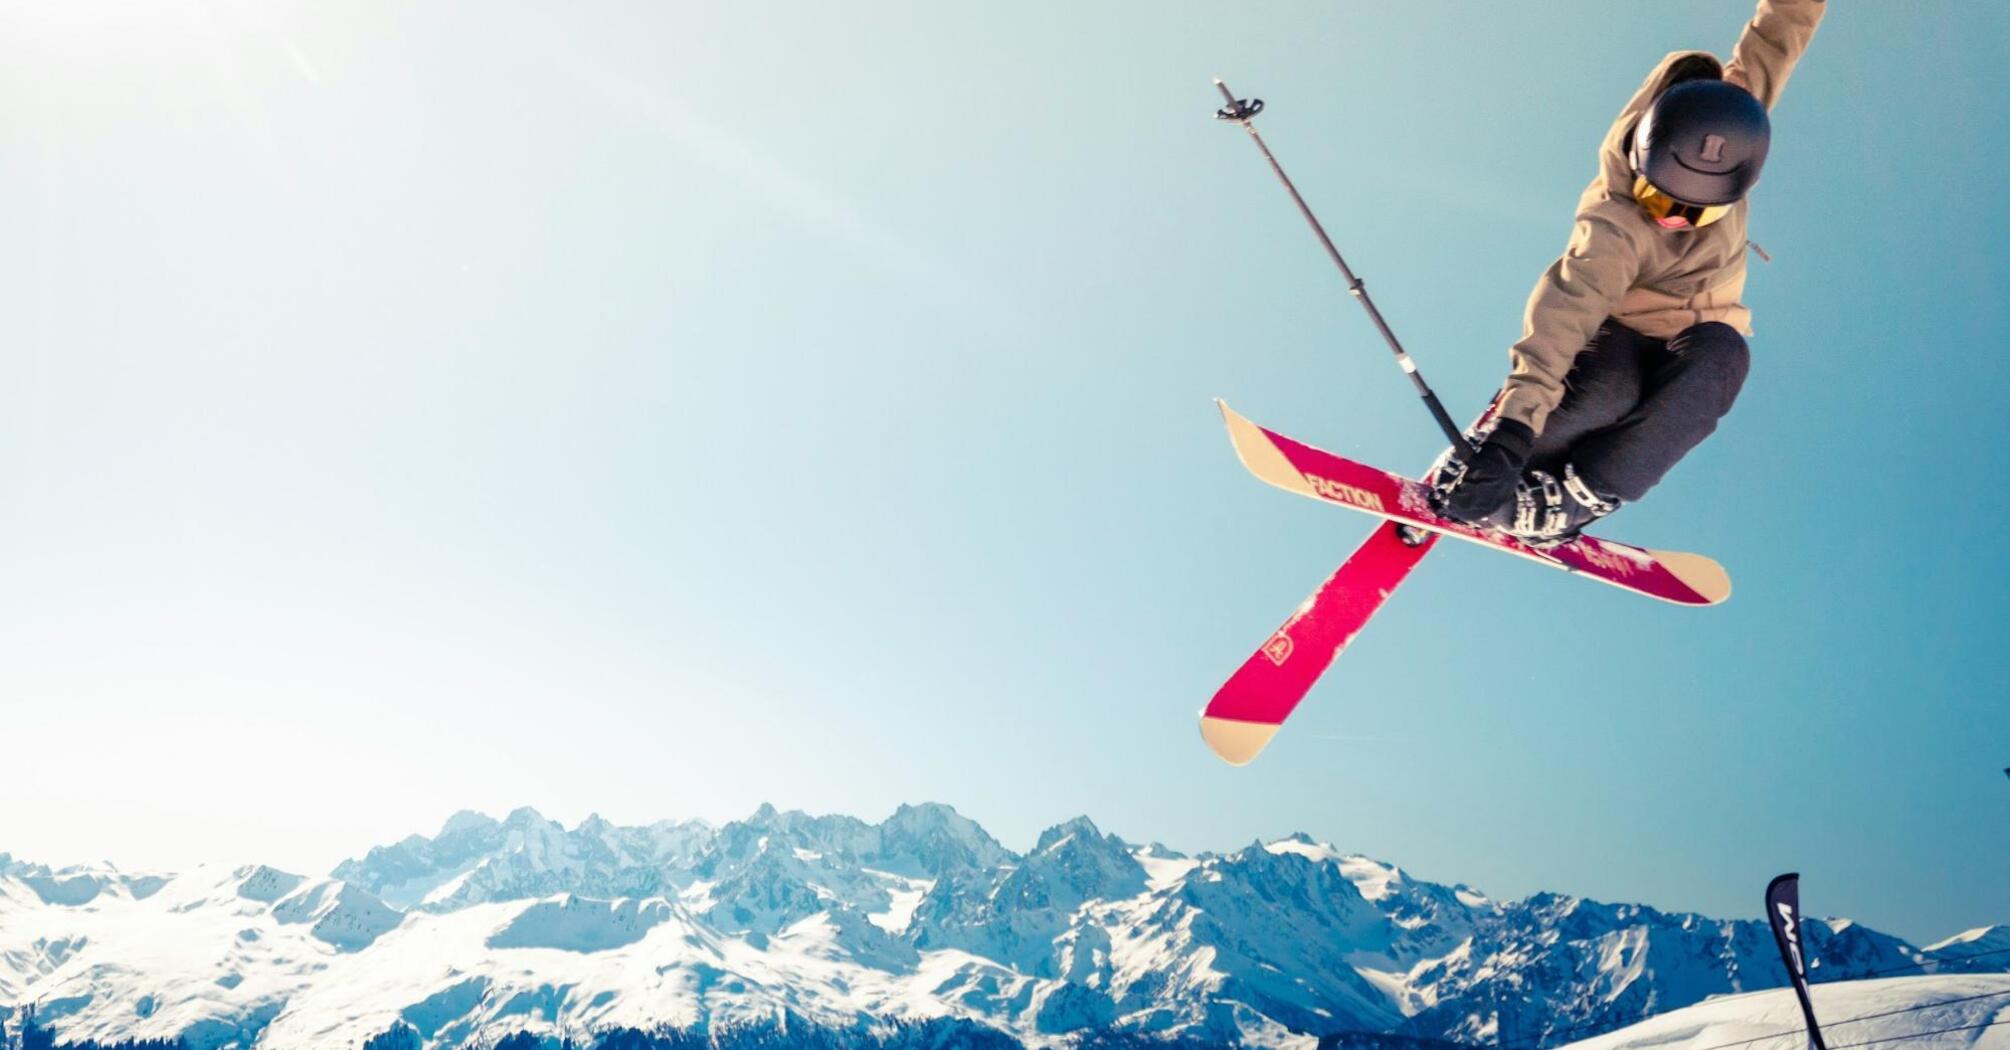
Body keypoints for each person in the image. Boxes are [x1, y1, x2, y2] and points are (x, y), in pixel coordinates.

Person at [1433, 0, 1826, 544]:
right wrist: (1510, 433)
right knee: (1608, 392)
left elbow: (1781, 31)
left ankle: (1572, 500)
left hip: (1690, 342)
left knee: (1723, 358)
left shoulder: (1736, 119)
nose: (1671, 220)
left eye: (1694, 212)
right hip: (1614, 333)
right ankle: (1499, 465)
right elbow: (1565, 312)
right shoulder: (1618, 220)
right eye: (1658, 199)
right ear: (1643, 163)